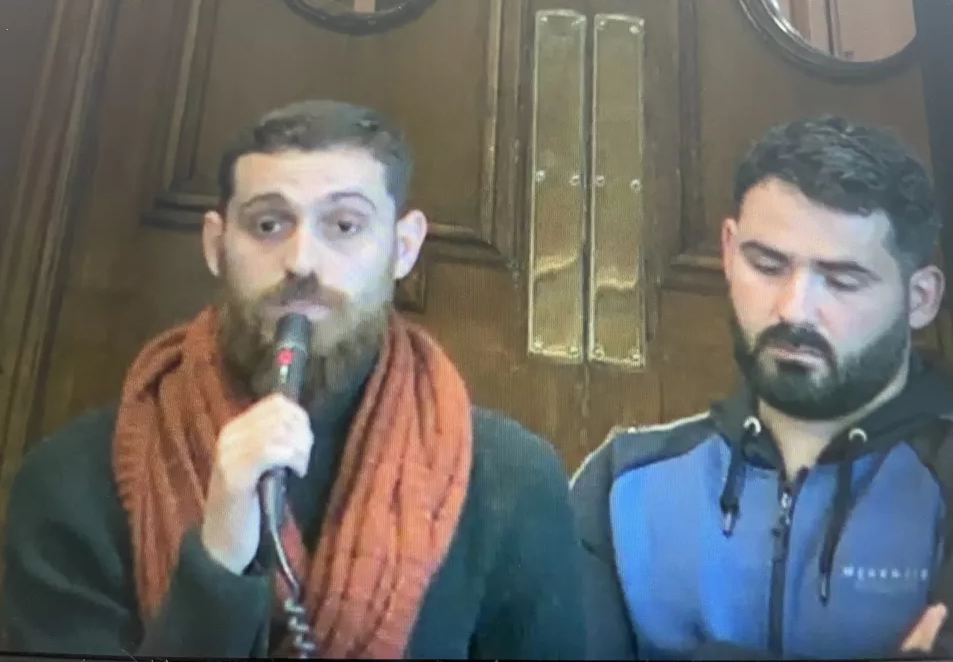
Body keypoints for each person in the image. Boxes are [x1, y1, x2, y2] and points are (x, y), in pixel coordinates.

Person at [0, 100, 584, 659]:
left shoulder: (511, 479)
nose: (302, 260)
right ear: (216, 244)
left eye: (346, 224)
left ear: (403, 249)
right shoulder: (69, 480)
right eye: (269, 223)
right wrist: (219, 559)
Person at [571, 115, 953, 660]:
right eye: (767, 264)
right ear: (728, 252)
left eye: (843, 280)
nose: (794, 308)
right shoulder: (624, 482)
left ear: (919, 298)